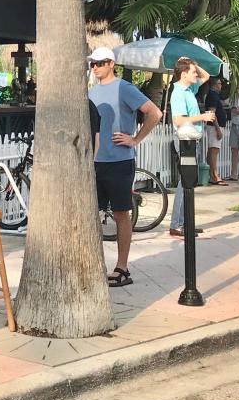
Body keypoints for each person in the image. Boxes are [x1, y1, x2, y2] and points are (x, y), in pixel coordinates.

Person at [87, 47, 162, 286]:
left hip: (119, 161)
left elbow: (154, 113)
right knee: (92, 214)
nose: (96, 67)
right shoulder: (91, 92)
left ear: (111, 63)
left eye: (100, 63)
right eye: (92, 64)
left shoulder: (124, 88)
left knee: (121, 213)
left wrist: (135, 139)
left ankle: (122, 267)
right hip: (95, 163)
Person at [168, 57, 215, 237]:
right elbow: (178, 120)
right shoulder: (178, 93)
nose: (196, 74)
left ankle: (185, 222)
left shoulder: (189, 89)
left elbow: (206, 75)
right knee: (185, 181)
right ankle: (176, 224)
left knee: (189, 181)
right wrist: (202, 117)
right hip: (184, 140)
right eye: (192, 72)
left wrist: (189, 63)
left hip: (192, 139)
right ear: (183, 74)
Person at [204, 78, 228, 185]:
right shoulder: (212, 96)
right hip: (213, 127)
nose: (221, 85)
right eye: (219, 83)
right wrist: (218, 129)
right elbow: (212, 113)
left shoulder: (214, 95)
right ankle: (214, 175)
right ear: (214, 85)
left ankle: (213, 174)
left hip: (214, 126)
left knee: (214, 150)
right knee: (214, 150)